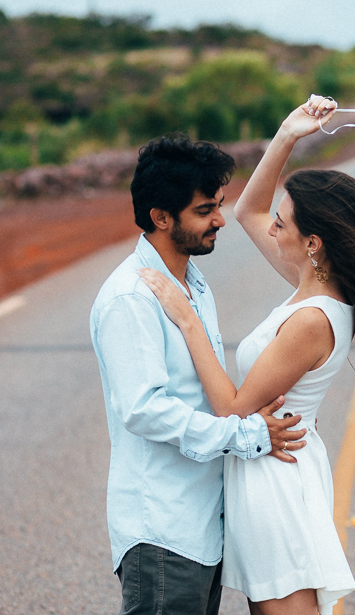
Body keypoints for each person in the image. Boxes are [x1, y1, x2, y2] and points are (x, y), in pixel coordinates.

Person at [139, 95, 355, 615]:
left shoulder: (313, 320)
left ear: (313, 242)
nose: (270, 228)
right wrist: (289, 134)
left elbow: (233, 410)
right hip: (267, 470)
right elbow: (248, 208)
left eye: (282, 223)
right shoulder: (313, 288)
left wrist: (188, 320)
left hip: (276, 480)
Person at [90, 133, 310, 615]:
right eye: (205, 210)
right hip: (163, 531)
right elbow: (144, 410)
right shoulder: (132, 298)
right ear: (161, 217)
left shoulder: (192, 283)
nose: (219, 220)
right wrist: (245, 435)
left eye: (219, 206)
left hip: (201, 525)